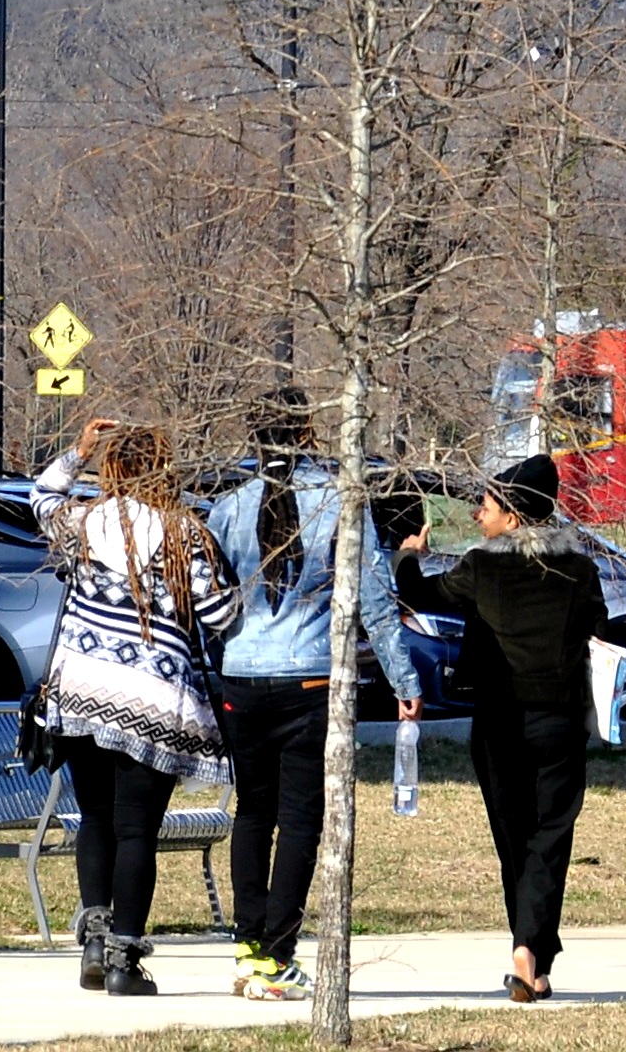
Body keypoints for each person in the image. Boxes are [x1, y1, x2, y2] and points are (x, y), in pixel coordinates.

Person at [203, 390, 418, 1003]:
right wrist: (405, 682)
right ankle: (278, 953)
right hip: (308, 681)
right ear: (306, 434)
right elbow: (376, 602)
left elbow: (206, 600)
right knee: (300, 820)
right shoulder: (339, 503)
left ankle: (249, 948)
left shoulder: (227, 509)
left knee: (252, 812)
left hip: (242, 679)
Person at [397, 456, 614, 1003]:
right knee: (551, 834)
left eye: (487, 507)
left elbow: (420, 595)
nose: (476, 515)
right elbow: (598, 626)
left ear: (513, 518)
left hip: (498, 719)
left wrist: (408, 556)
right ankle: (530, 953)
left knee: (513, 836)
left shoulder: (481, 568)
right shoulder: (579, 570)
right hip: (559, 718)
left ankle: (529, 951)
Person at [36, 419, 239, 997]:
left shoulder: (82, 523)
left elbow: (41, 497)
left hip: (79, 693)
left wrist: (75, 451)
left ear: (111, 469)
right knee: (137, 832)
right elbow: (220, 615)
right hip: (151, 702)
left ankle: (95, 942)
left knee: (96, 819)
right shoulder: (184, 534)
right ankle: (126, 960)